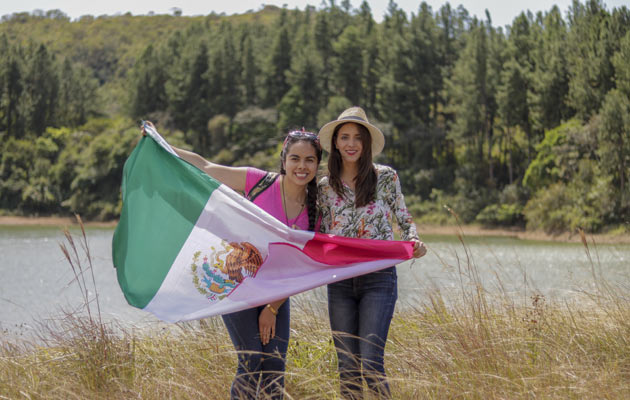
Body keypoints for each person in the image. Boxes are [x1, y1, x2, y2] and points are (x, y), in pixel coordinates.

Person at [143, 122, 322, 399]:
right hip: (237, 284)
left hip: (277, 292)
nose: (302, 166)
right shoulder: (258, 182)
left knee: (274, 365)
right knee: (250, 362)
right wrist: (161, 143)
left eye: (310, 160)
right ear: (284, 161)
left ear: (317, 165)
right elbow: (204, 166)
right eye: (295, 158)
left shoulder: (317, 207)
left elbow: (302, 268)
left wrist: (271, 309)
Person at [316, 107, 427, 399]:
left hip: (378, 279)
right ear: (335, 143)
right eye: (344, 137)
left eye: (357, 138)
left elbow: (404, 219)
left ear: (365, 143)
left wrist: (415, 242)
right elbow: (316, 231)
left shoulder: (386, 177)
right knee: (347, 367)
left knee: (370, 362)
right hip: (339, 280)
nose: (351, 144)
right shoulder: (325, 187)